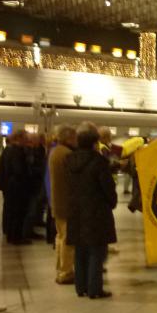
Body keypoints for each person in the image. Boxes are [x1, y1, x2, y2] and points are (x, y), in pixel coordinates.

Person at [64, 123, 117, 299]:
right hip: (96, 211)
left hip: (75, 210)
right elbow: (107, 187)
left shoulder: (69, 160)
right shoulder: (99, 162)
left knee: (80, 249)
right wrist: (112, 202)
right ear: (95, 143)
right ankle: (95, 289)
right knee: (97, 250)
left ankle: (81, 287)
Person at [48, 125, 77, 285]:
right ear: (68, 138)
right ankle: (66, 272)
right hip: (66, 203)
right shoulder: (67, 154)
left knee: (60, 237)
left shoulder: (55, 152)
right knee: (67, 239)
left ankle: (60, 269)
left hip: (57, 202)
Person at [0, 130, 31, 245]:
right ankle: (16, 237)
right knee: (17, 212)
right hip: (17, 187)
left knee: (11, 211)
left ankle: (10, 234)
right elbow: (18, 170)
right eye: (25, 138)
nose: (27, 141)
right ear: (19, 138)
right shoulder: (17, 151)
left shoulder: (8, 150)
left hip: (10, 186)